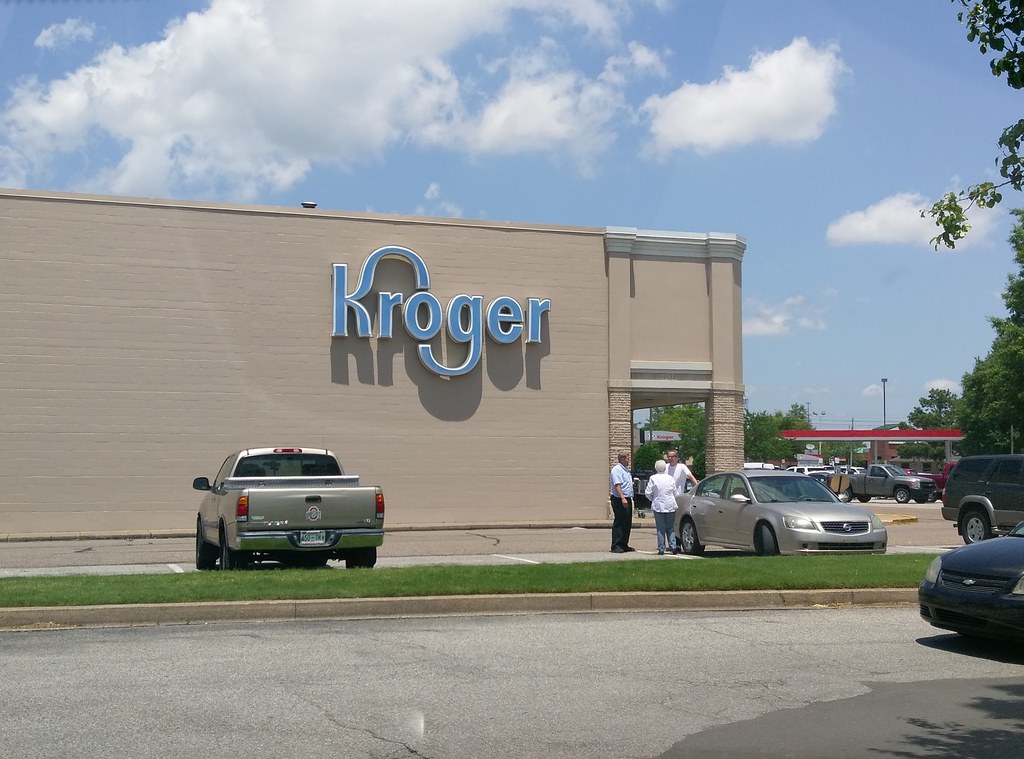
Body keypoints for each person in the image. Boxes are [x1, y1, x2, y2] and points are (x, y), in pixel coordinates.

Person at [665, 449, 698, 554]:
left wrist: (696, 489)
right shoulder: (665, 467)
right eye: (669, 456)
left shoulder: (682, 467)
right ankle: (672, 544)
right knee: (668, 522)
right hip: (667, 498)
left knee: (677, 521)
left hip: (679, 498)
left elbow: (691, 477)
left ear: (677, 457)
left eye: (673, 456)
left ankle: (677, 544)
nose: (671, 458)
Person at [644, 459, 678, 555]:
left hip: (658, 505)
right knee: (670, 527)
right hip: (670, 504)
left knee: (660, 528)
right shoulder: (670, 478)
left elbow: (648, 492)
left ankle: (661, 548)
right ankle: (673, 546)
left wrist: (653, 499)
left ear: (656, 468)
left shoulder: (653, 478)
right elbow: (675, 492)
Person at [609, 450, 635, 553]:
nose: (629, 460)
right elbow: (617, 485)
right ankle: (616, 545)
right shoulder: (617, 470)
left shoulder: (625, 470)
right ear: (622, 459)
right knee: (619, 522)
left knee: (627, 522)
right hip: (619, 499)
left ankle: (624, 544)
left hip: (627, 498)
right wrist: (623, 498)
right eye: (627, 458)